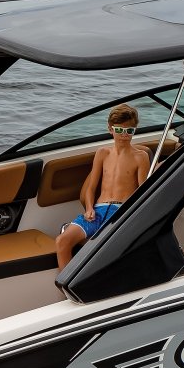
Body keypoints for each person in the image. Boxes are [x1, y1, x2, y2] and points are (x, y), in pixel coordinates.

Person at [55, 103, 151, 271]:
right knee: (61, 241)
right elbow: (90, 188)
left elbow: (143, 193)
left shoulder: (140, 157)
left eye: (129, 131)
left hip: (120, 212)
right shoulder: (102, 153)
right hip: (97, 211)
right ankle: (66, 284)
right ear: (110, 129)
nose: (124, 135)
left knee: (103, 249)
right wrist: (89, 209)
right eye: (119, 130)